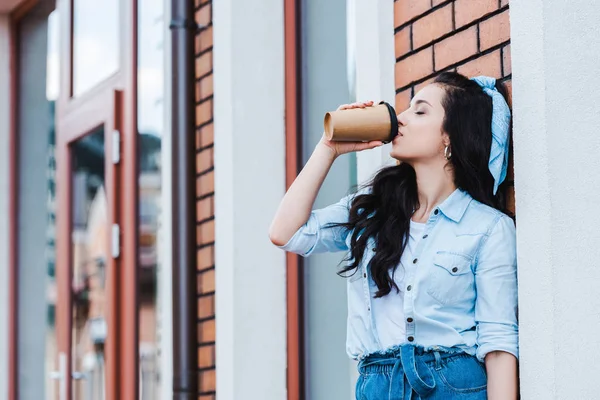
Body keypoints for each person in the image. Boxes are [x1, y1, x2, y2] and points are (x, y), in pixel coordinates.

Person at [269, 72, 518, 399]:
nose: (400, 119)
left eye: (420, 111)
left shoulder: (489, 227)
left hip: (455, 385)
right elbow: (286, 232)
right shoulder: (372, 209)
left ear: (450, 137)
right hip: (378, 385)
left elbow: (499, 345)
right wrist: (328, 148)